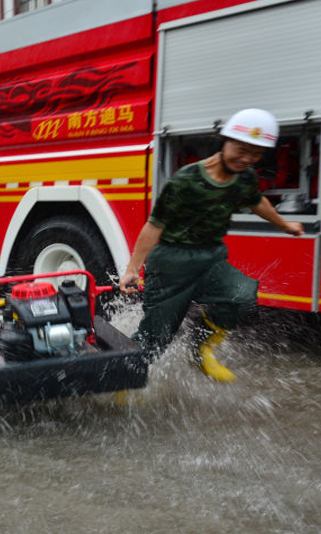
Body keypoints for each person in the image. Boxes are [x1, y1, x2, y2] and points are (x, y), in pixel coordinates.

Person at [119, 108, 304, 382]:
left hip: (210, 259)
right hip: (172, 262)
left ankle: (200, 346)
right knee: (155, 339)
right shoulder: (187, 179)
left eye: (255, 154)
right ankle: (123, 380)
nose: (246, 159)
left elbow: (257, 202)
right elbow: (154, 225)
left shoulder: (244, 178)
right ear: (224, 141)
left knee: (241, 296)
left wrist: (284, 224)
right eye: (241, 150)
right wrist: (133, 268)